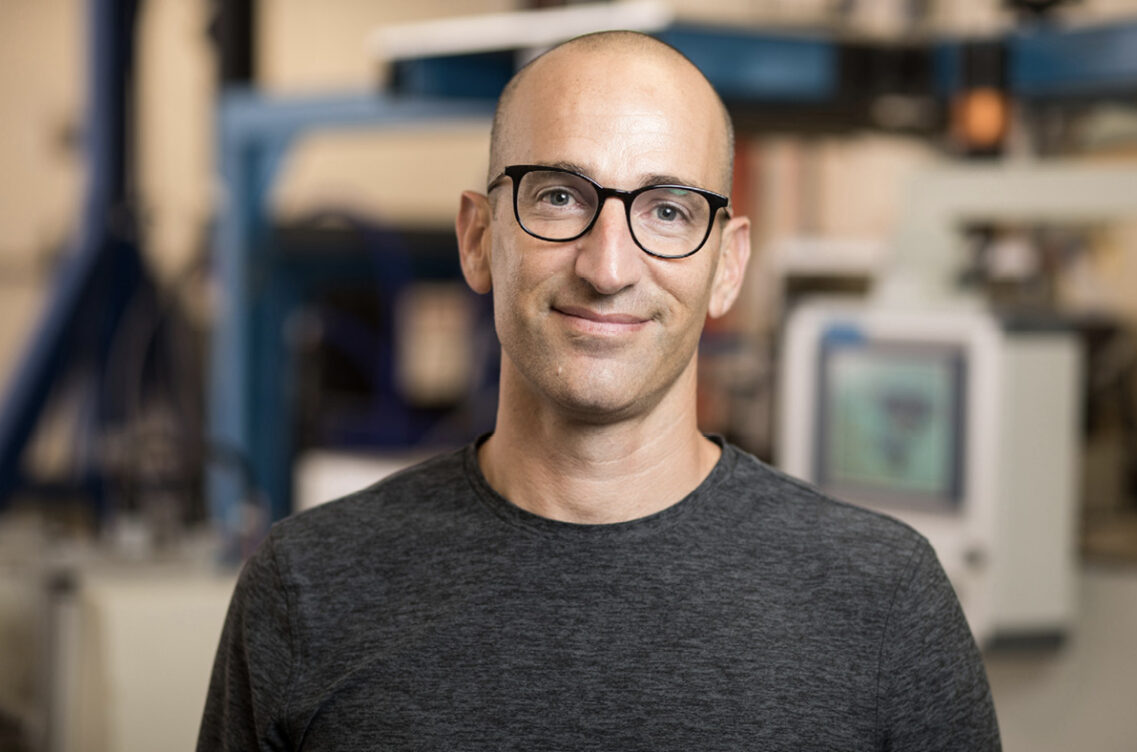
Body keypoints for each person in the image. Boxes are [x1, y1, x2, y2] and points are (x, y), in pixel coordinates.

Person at [198, 31, 1000, 751]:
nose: (608, 266)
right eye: (559, 196)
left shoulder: (884, 601)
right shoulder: (307, 589)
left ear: (726, 265)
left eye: (669, 210)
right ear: (479, 239)